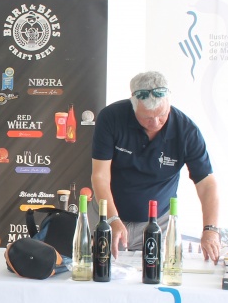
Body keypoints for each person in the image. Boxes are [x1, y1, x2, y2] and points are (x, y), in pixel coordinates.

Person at [91, 70, 220, 261]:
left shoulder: (187, 131)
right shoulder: (111, 117)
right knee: (100, 270)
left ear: (168, 102)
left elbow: (206, 183)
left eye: (161, 115)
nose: (155, 123)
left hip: (158, 221)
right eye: (147, 118)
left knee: (155, 274)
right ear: (133, 105)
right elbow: (100, 176)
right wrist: (111, 218)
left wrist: (210, 229)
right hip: (109, 214)